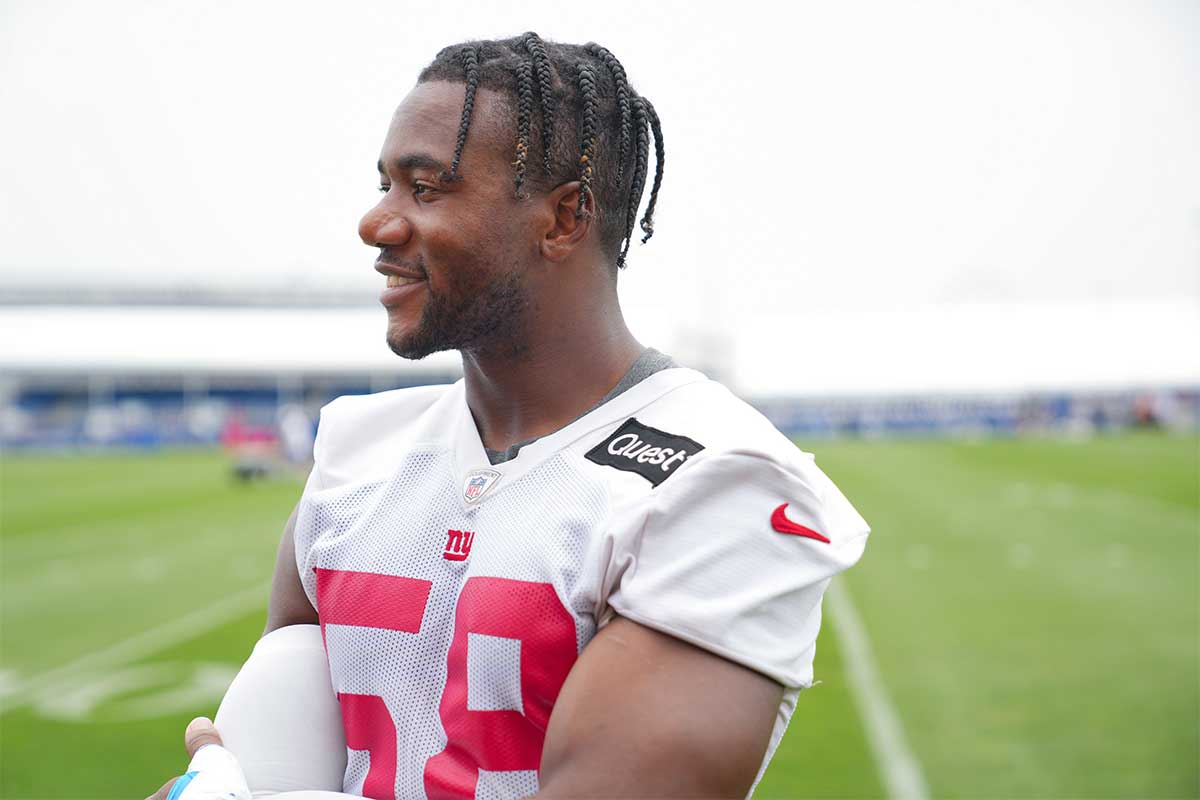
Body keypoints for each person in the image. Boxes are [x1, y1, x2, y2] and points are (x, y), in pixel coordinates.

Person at [149, 33, 870, 800]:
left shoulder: (719, 482)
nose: (377, 222)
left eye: (426, 189)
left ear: (564, 220)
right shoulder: (356, 454)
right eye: (386, 184)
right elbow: (284, 743)